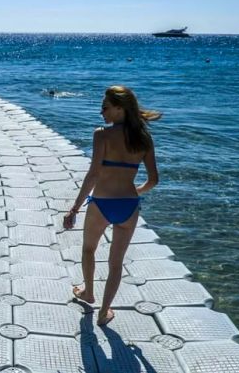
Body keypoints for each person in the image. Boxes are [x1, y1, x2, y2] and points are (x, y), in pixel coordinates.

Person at [63, 85, 160, 326]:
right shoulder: (144, 138)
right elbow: (153, 180)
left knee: (88, 249)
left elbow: (94, 174)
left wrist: (75, 207)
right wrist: (134, 192)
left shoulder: (102, 135)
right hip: (129, 206)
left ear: (120, 108)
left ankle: (88, 293)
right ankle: (104, 311)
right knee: (116, 263)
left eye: (105, 107)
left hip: (102, 203)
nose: (101, 112)